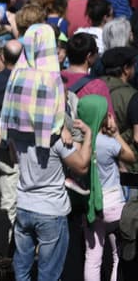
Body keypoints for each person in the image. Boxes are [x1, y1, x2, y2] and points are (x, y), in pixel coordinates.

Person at [3, 23, 93, 281]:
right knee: (49, 275)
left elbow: (10, 150)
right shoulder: (55, 135)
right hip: (51, 210)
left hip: (23, 205)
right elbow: (82, 166)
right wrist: (87, 135)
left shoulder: (17, 81)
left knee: (21, 272)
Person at [80, 94, 134, 281]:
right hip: (114, 207)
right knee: (119, 254)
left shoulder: (80, 143)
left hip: (91, 207)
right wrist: (116, 132)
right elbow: (130, 156)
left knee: (93, 256)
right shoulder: (108, 143)